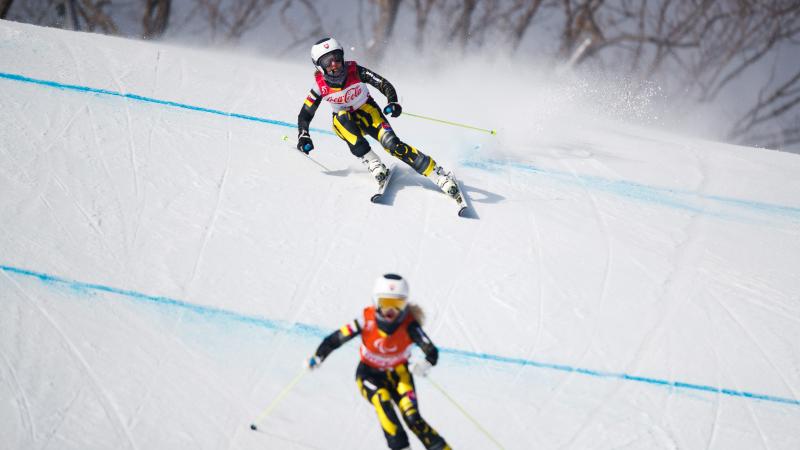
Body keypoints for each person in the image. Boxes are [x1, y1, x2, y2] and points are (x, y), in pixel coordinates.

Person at [296, 37, 461, 200]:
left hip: (369, 112)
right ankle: (372, 162)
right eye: (327, 61)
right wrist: (303, 135)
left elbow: (383, 84)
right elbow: (305, 114)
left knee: (393, 145)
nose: (334, 64)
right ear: (319, 66)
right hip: (345, 122)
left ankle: (437, 174)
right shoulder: (319, 87)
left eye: (337, 57)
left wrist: (393, 102)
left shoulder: (356, 71)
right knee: (342, 118)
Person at [306, 273, 451, 450]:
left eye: (397, 305)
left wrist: (425, 364)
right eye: (385, 304)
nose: (391, 312)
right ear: (376, 302)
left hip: (400, 375)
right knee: (383, 403)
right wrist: (319, 356)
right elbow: (335, 339)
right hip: (369, 375)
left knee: (413, 418)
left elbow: (431, 351)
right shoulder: (365, 321)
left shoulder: (410, 325)